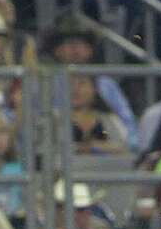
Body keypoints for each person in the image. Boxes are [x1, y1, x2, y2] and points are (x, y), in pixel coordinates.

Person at [44, 15, 140, 153]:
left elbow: (130, 132)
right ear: (56, 50)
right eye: (68, 43)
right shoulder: (45, 82)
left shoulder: (106, 84)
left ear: (90, 49)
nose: (75, 48)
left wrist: (110, 146)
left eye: (81, 43)